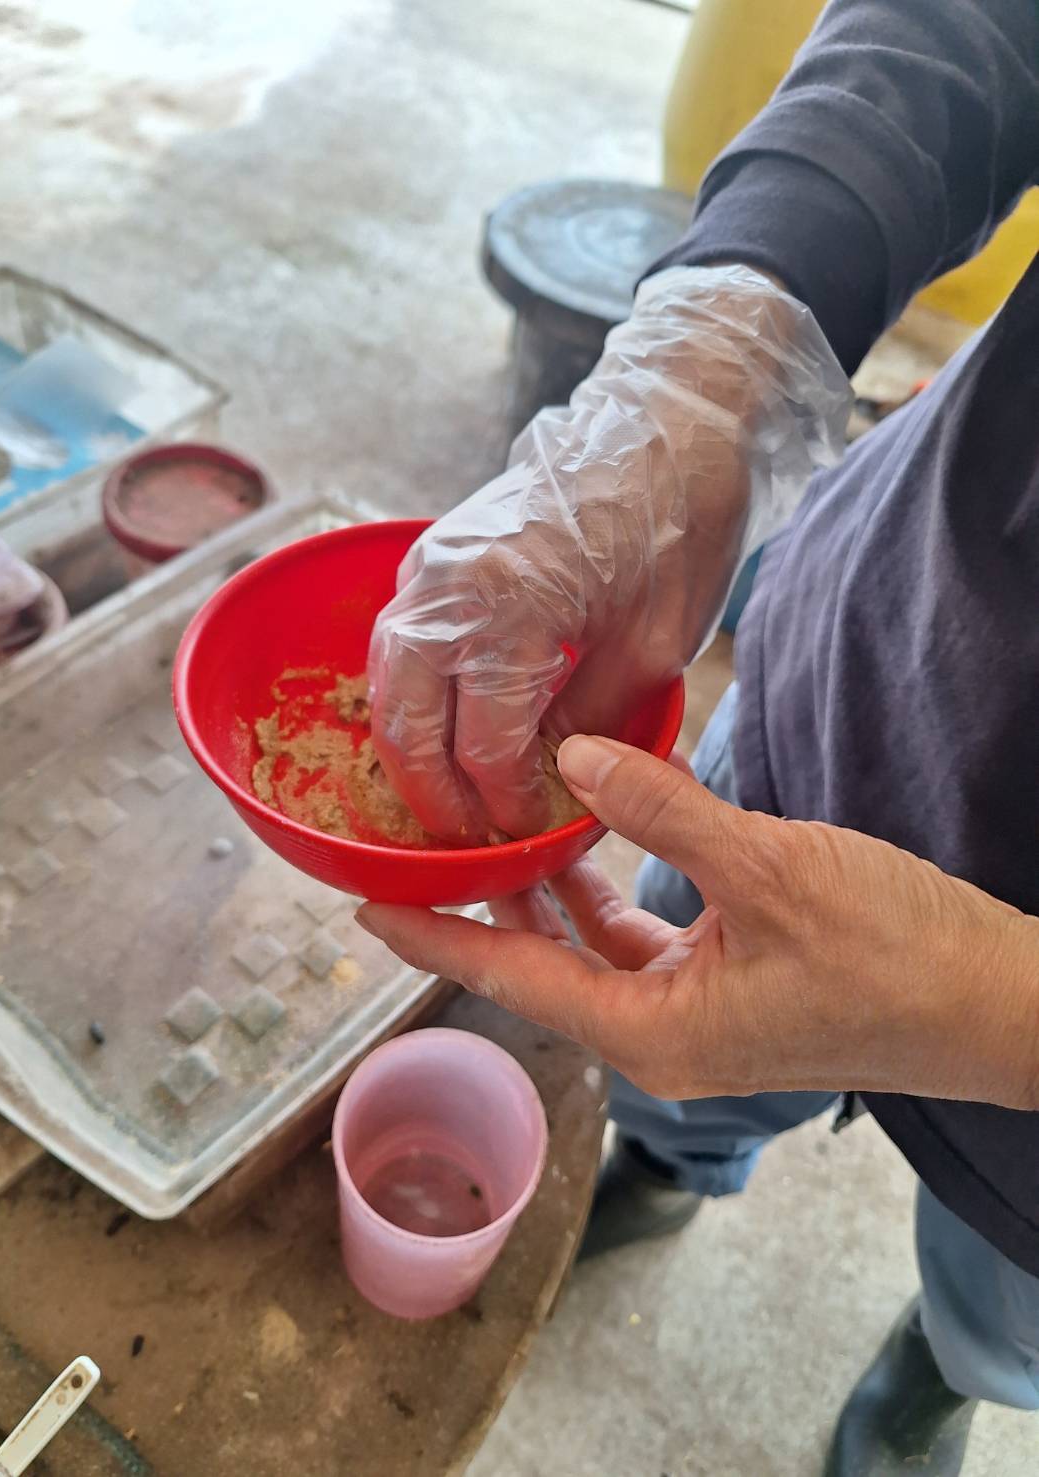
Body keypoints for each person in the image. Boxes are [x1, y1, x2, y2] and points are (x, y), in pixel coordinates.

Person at [361, 2, 1039, 1473]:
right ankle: (672, 1162)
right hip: (861, 648)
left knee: (1008, 1298)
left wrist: (1008, 1007)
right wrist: (718, 338)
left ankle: (947, 1362)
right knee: (674, 1032)